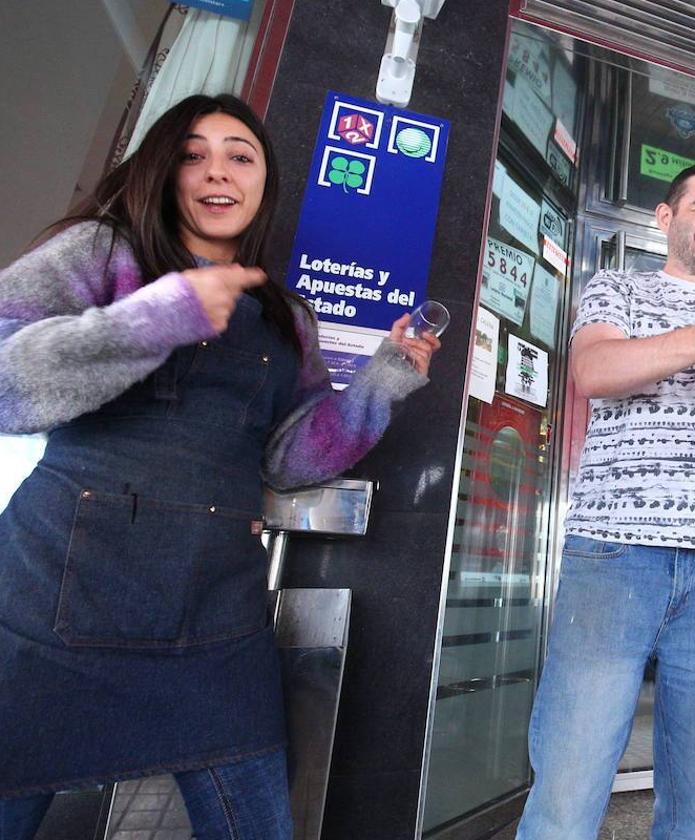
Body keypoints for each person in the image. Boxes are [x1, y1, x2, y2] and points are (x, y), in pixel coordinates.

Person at [0, 94, 441, 839]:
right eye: (192, 154)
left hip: (213, 606)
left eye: (241, 156)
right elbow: (8, 386)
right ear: (162, 172)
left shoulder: (283, 315)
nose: (217, 172)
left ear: (265, 182)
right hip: (52, 595)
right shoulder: (101, 252)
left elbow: (290, 460)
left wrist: (385, 376)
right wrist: (162, 314)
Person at [515, 163, 695, 840]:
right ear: (665, 217)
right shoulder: (617, 288)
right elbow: (594, 371)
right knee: (568, 780)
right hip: (615, 550)